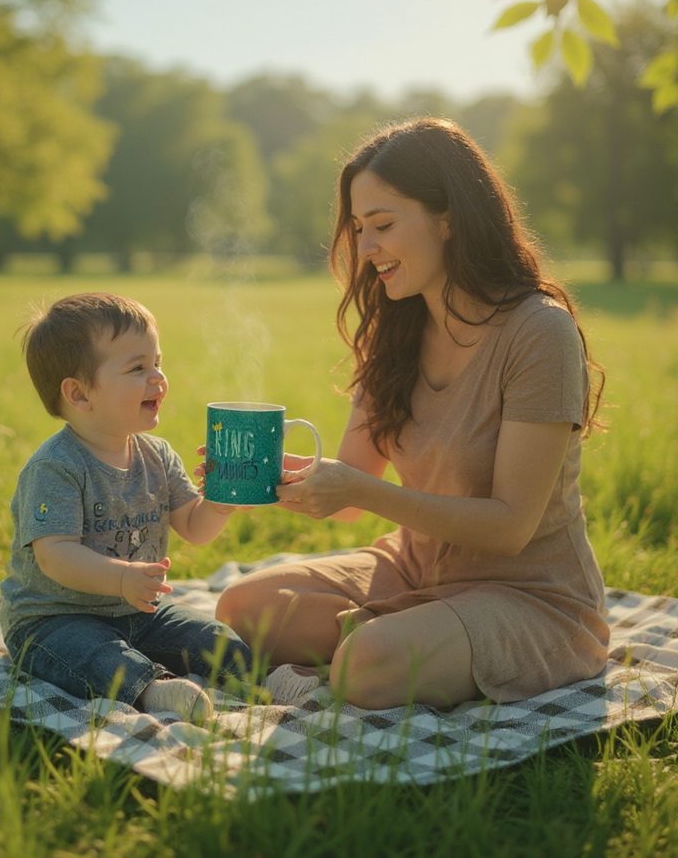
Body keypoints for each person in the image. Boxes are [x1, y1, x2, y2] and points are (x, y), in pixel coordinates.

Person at [215, 117, 610, 711]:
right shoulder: (395, 331)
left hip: (530, 593)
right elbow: (352, 491)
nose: (365, 248)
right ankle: (407, 636)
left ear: (449, 218)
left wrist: (361, 491)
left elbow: (511, 527)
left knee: (366, 665)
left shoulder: (539, 332)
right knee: (241, 609)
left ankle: (387, 645)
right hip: (416, 567)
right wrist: (265, 473)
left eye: (383, 225)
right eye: (358, 229)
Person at [0, 291, 257, 723]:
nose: (158, 377)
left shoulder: (157, 455)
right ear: (79, 394)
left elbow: (194, 527)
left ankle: (268, 679)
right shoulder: (56, 467)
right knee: (96, 657)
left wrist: (219, 504)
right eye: (138, 368)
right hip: (55, 620)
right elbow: (54, 555)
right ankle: (154, 690)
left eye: (158, 362)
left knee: (215, 640)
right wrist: (121, 578)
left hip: (138, 611)